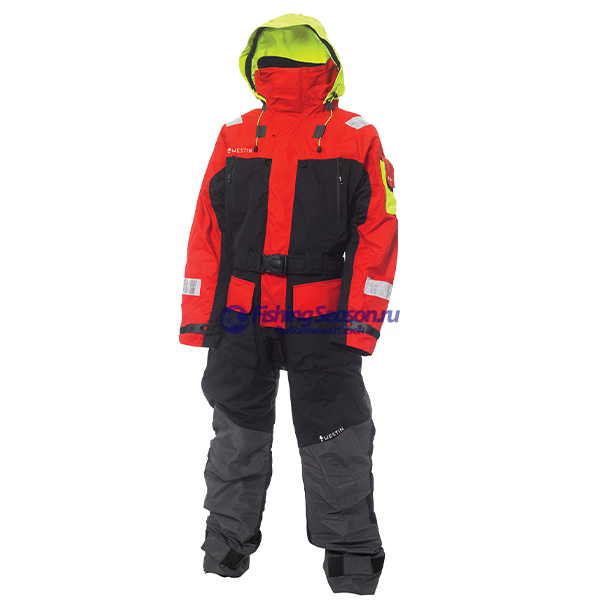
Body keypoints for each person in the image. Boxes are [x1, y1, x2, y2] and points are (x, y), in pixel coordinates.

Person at [179, 13, 398, 595]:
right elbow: (209, 228)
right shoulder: (236, 133)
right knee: (238, 431)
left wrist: (362, 322)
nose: (285, 72)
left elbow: (378, 232)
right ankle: (226, 546)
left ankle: (350, 553)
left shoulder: (355, 134)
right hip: (242, 315)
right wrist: (200, 316)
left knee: (336, 432)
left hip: (319, 316)